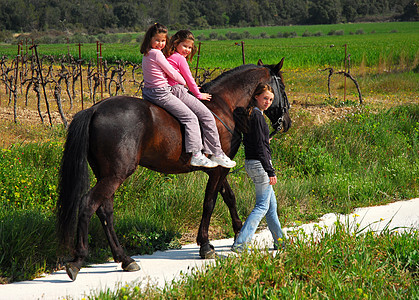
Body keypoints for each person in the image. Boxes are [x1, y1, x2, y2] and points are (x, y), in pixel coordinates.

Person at [140, 23, 217, 168]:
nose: (160, 44)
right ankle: (196, 154)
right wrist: (186, 85)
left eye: (163, 41)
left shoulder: (147, 53)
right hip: (161, 92)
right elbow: (173, 73)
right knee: (191, 117)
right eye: (157, 40)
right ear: (150, 39)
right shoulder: (157, 54)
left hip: (148, 92)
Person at [165, 30, 236, 168]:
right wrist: (198, 94)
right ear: (176, 43)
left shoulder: (170, 57)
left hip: (171, 90)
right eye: (185, 46)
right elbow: (189, 79)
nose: (187, 50)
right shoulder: (179, 59)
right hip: (178, 91)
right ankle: (216, 153)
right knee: (207, 116)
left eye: (190, 47)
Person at [231, 83, 285, 252]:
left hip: (251, 163)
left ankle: (281, 242)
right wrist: (270, 170)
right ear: (256, 97)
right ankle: (240, 244)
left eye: (270, 100)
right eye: (265, 98)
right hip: (260, 165)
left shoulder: (251, 114)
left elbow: (256, 141)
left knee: (271, 207)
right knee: (262, 206)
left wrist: (264, 140)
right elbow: (261, 148)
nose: (268, 102)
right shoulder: (258, 117)